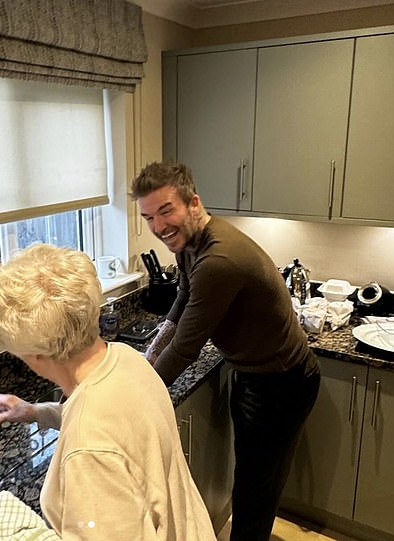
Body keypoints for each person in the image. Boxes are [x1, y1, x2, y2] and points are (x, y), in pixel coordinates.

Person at [130, 162, 321, 541]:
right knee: (253, 480)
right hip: (255, 375)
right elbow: (182, 299)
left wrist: (133, 393)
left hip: (281, 384)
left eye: (166, 210)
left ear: (194, 203)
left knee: (255, 491)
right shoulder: (188, 242)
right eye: (148, 216)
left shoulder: (219, 259)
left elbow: (186, 347)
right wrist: (148, 356)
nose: (158, 226)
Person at [0, 243, 216, 541]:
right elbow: (112, 423)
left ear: (33, 354)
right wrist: (34, 412)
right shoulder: (125, 358)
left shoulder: (87, 451)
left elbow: (98, 435)